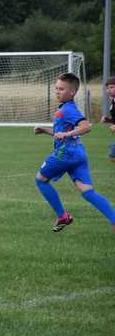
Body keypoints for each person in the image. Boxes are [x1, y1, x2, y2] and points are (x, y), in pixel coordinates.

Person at [34, 72, 115, 232]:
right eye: (56, 88)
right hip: (78, 153)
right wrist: (46, 130)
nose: (57, 91)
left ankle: (62, 216)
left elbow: (86, 126)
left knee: (41, 180)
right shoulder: (64, 108)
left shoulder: (68, 109)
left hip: (65, 154)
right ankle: (113, 218)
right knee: (87, 192)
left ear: (72, 92)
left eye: (61, 89)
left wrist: (67, 134)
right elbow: (62, 132)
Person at [100, 76, 115, 163]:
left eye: (112, 87)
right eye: (107, 88)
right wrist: (107, 119)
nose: (108, 90)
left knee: (112, 153)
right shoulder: (113, 101)